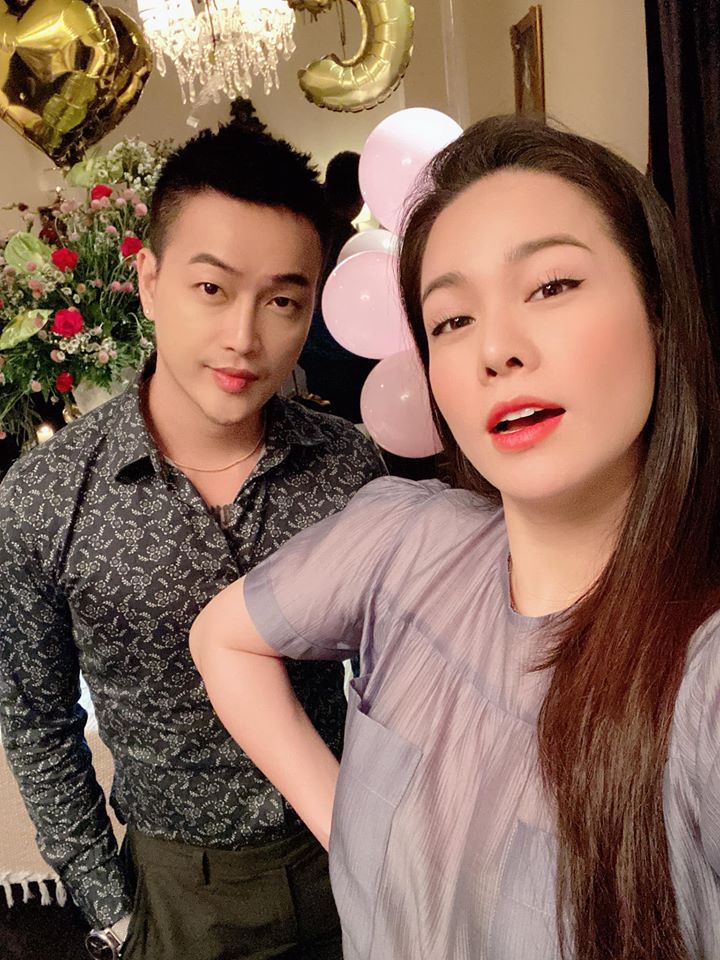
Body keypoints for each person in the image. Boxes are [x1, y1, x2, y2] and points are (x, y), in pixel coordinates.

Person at [189, 116, 720, 960]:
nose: (496, 350)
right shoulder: (406, 540)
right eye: (451, 321)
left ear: (658, 310)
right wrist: (351, 832)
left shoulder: (700, 680)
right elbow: (221, 636)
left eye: (551, 286)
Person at [0, 123, 385, 960]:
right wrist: (111, 906)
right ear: (148, 280)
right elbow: (36, 719)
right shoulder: (45, 496)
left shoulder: (349, 467)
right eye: (212, 288)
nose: (244, 336)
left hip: (346, 849)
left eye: (282, 301)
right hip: (177, 885)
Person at [299, 151, 375, 424]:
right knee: (351, 422)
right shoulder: (348, 243)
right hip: (344, 353)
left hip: (310, 346)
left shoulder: (305, 225)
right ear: (360, 197)